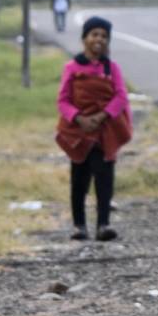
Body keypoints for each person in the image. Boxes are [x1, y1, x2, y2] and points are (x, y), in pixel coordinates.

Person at [55, 16, 132, 242]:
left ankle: (103, 225)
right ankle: (80, 226)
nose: (99, 40)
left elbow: (120, 96)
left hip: (104, 131)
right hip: (78, 132)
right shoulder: (71, 67)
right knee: (79, 178)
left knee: (104, 177)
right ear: (85, 38)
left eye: (104, 36)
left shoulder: (112, 68)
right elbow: (63, 100)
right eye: (94, 35)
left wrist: (102, 115)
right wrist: (78, 118)